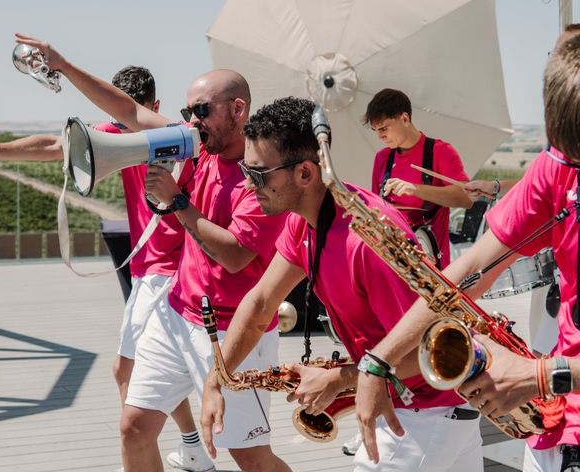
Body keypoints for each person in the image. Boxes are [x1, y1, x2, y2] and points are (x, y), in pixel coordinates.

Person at [12, 34, 291, 472]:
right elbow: (128, 110)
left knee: (250, 456)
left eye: (201, 110)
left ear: (238, 110)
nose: (191, 122)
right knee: (134, 427)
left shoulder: (261, 173)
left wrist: (179, 203)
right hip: (177, 311)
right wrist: (63, 64)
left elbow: (236, 256)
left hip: (232, 330)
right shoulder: (200, 147)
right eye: (187, 112)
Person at [0, 66, 214, 472]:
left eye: (130, 113)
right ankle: (189, 447)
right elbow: (53, 145)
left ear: (152, 109)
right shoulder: (117, 130)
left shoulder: (178, 138)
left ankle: (142, 453)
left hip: (168, 273)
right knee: (152, 373)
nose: (121, 125)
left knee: (128, 373)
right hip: (148, 273)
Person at [200, 97, 483, 471]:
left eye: (259, 174)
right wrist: (215, 381)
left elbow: (431, 355)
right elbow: (260, 305)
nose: (248, 186)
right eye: (245, 171)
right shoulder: (304, 221)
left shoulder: (366, 242)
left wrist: (339, 379)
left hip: (425, 416)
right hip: (425, 412)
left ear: (304, 173)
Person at [354, 33, 580, 472]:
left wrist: (538, 375)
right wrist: (379, 360)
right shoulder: (560, 164)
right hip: (562, 424)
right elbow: (474, 266)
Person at [365, 88, 472, 269]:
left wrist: (416, 189)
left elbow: (467, 197)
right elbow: (376, 209)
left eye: (383, 128)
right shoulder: (381, 158)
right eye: (376, 130)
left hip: (430, 266)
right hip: (392, 264)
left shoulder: (441, 151)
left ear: (404, 119)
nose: (380, 136)